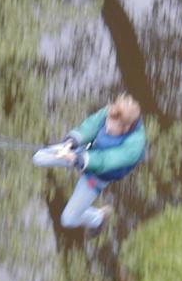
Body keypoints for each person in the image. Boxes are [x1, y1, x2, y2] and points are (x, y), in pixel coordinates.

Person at [57, 93, 147, 235]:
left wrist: (80, 159)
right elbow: (91, 126)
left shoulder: (135, 145)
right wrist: (73, 140)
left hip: (97, 177)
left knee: (67, 220)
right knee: (39, 158)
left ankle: (98, 218)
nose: (107, 128)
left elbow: (106, 160)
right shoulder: (112, 112)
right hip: (85, 153)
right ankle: (67, 150)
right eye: (107, 123)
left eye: (111, 129)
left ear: (126, 128)